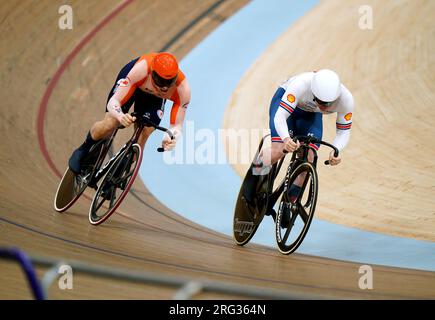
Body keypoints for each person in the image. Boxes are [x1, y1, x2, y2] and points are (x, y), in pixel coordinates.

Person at [259, 69, 354, 226]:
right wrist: (286, 138)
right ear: (314, 93)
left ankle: (288, 201)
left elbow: (343, 131)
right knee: (278, 150)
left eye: (328, 104)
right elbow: (280, 116)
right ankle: (255, 176)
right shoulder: (301, 84)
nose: (324, 106)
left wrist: (336, 150)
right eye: (320, 101)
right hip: (286, 105)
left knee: (308, 159)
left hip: (310, 115)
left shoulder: (346, 99)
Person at [68, 52, 191, 174]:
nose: (163, 88)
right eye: (160, 81)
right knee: (111, 123)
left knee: (145, 131)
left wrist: (170, 137)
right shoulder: (141, 69)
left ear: (174, 78)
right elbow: (114, 101)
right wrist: (120, 116)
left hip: (154, 98)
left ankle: (118, 173)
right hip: (135, 83)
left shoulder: (182, 90)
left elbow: (177, 126)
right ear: (152, 73)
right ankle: (83, 149)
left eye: (167, 83)